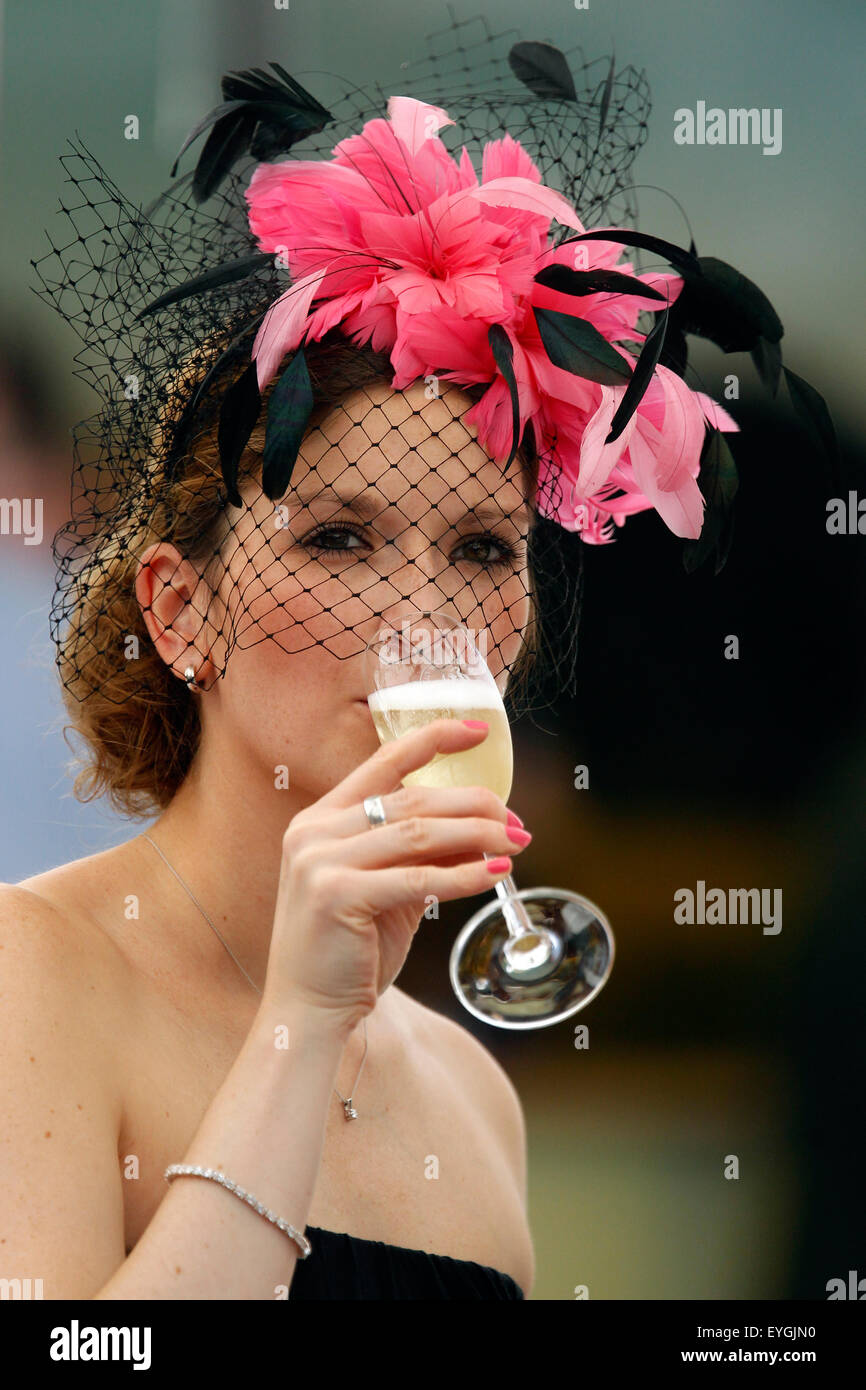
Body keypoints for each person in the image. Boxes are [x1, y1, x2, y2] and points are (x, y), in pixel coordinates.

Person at [11, 18, 819, 1300]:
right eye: (338, 538)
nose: (420, 614)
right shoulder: (33, 974)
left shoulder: (468, 1095)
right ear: (178, 613)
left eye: (485, 554)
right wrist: (295, 1031)